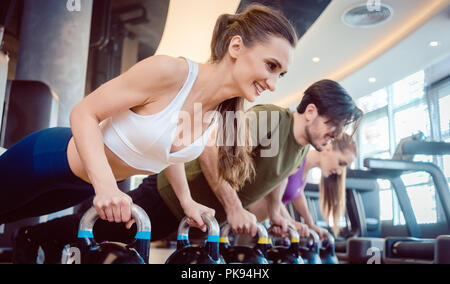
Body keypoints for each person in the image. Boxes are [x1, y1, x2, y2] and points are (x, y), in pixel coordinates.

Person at [0, 4, 298, 231]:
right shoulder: (171, 73)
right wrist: (106, 188)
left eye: (280, 75)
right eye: (270, 66)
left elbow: (172, 152)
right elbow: (84, 112)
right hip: (47, 161)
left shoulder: (217, 114)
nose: (272, 84)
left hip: (78, 187)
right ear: (236, 46)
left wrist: (186, 201)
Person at [13, 80, 363, 263]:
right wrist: (235, 207)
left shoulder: (300, 147)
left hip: (196, 215)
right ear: (313, 111)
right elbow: (212, 150)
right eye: (335, 124)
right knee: (103, 228)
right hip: (170, 193)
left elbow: (279, 178)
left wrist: (275, 212)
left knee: (119, 242)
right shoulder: (271, 119)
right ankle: (34, 238)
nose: (336, 135)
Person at [248, 133, 358, 240]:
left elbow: (297, 194)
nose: (339, 172)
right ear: (328, 148)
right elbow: (270, 193)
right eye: (341, 163)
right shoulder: (296, 161)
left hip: (258, 223)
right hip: (249, 216)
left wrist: (310, 224)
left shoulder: (306, 169)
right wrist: (289, 221)